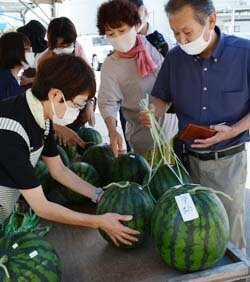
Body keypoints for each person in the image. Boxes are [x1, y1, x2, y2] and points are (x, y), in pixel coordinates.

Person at [139, 0, 250, 250]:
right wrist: (153, 111)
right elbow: (161, 98)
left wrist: (233, 130)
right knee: (191, 234)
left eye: (187, 32)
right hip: (185, 163)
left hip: (227, 163)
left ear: (211, 20)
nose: (181, 39)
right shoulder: (175, 58)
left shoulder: (245, 53)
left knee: (228, 236)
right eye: (175, 33)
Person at [0, 54, 139, 247]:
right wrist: (98, 222)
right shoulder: (10, 130)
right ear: (55, 95)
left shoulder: (43, 118)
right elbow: (42, 207)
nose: (79, 110)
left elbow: (59, 170)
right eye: (78, 104)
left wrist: (99, 194)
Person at [97, 0, 178, 161]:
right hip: (144, 140)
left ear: (135, 25)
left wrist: (160, 106)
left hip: (174, 130)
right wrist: (113, 131)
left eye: (122, 30)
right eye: (111, 34)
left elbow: (172, 82)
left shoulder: (155, 46)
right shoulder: (111, 66)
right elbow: (108, 102)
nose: (118, 37)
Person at [37, 17, 95, 148]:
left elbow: (88, 82)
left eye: (68, 45)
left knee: (77, 148)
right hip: (54, 117)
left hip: (76, 116)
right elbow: (40, 100)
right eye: (60, 46)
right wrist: (55, 126)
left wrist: (89, 105)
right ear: (51, 43)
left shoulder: (78, 49)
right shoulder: (44, 61)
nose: (65, 48)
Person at [0, 32, 33, 99]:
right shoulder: (10, 86)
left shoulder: (6, 73)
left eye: (30, 49)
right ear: (13, 52)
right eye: (26, 49)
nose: (31, 52)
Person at [17, 20, 47, 88]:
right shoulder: (30, 49)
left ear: (33, 38)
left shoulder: (49, 53)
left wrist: (30, 80)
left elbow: (51, 76)